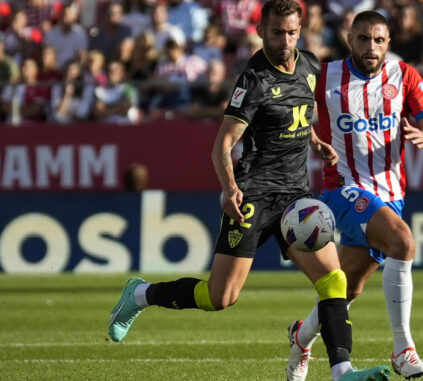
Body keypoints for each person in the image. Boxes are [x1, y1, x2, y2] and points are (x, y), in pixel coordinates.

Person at [107, 2, 391, 381]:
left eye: (291, 32)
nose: (285, 40)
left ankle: (342, 371)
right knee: (220, 297)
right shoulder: (253, 80)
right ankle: (140, 294)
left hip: (295, 199)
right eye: (277, 32)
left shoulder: (308, 65)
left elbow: (297, 116)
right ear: (261, 31)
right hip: (253, 196)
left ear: (300, 30)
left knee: (333, 280)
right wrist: (229, 188)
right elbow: (222, 146)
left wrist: (317, 143)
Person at [287, 10, 423, 381]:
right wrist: (310, 139)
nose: (371, 47)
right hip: (342, 188)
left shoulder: (404, 75)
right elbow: (288, 110)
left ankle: (302, 336)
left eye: (378, 40)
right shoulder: (324, 76)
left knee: (346, 287)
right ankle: (402, 347)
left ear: (388, 43)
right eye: (363, 39)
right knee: (403, 242)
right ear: (350, 40)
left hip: (390, 194)